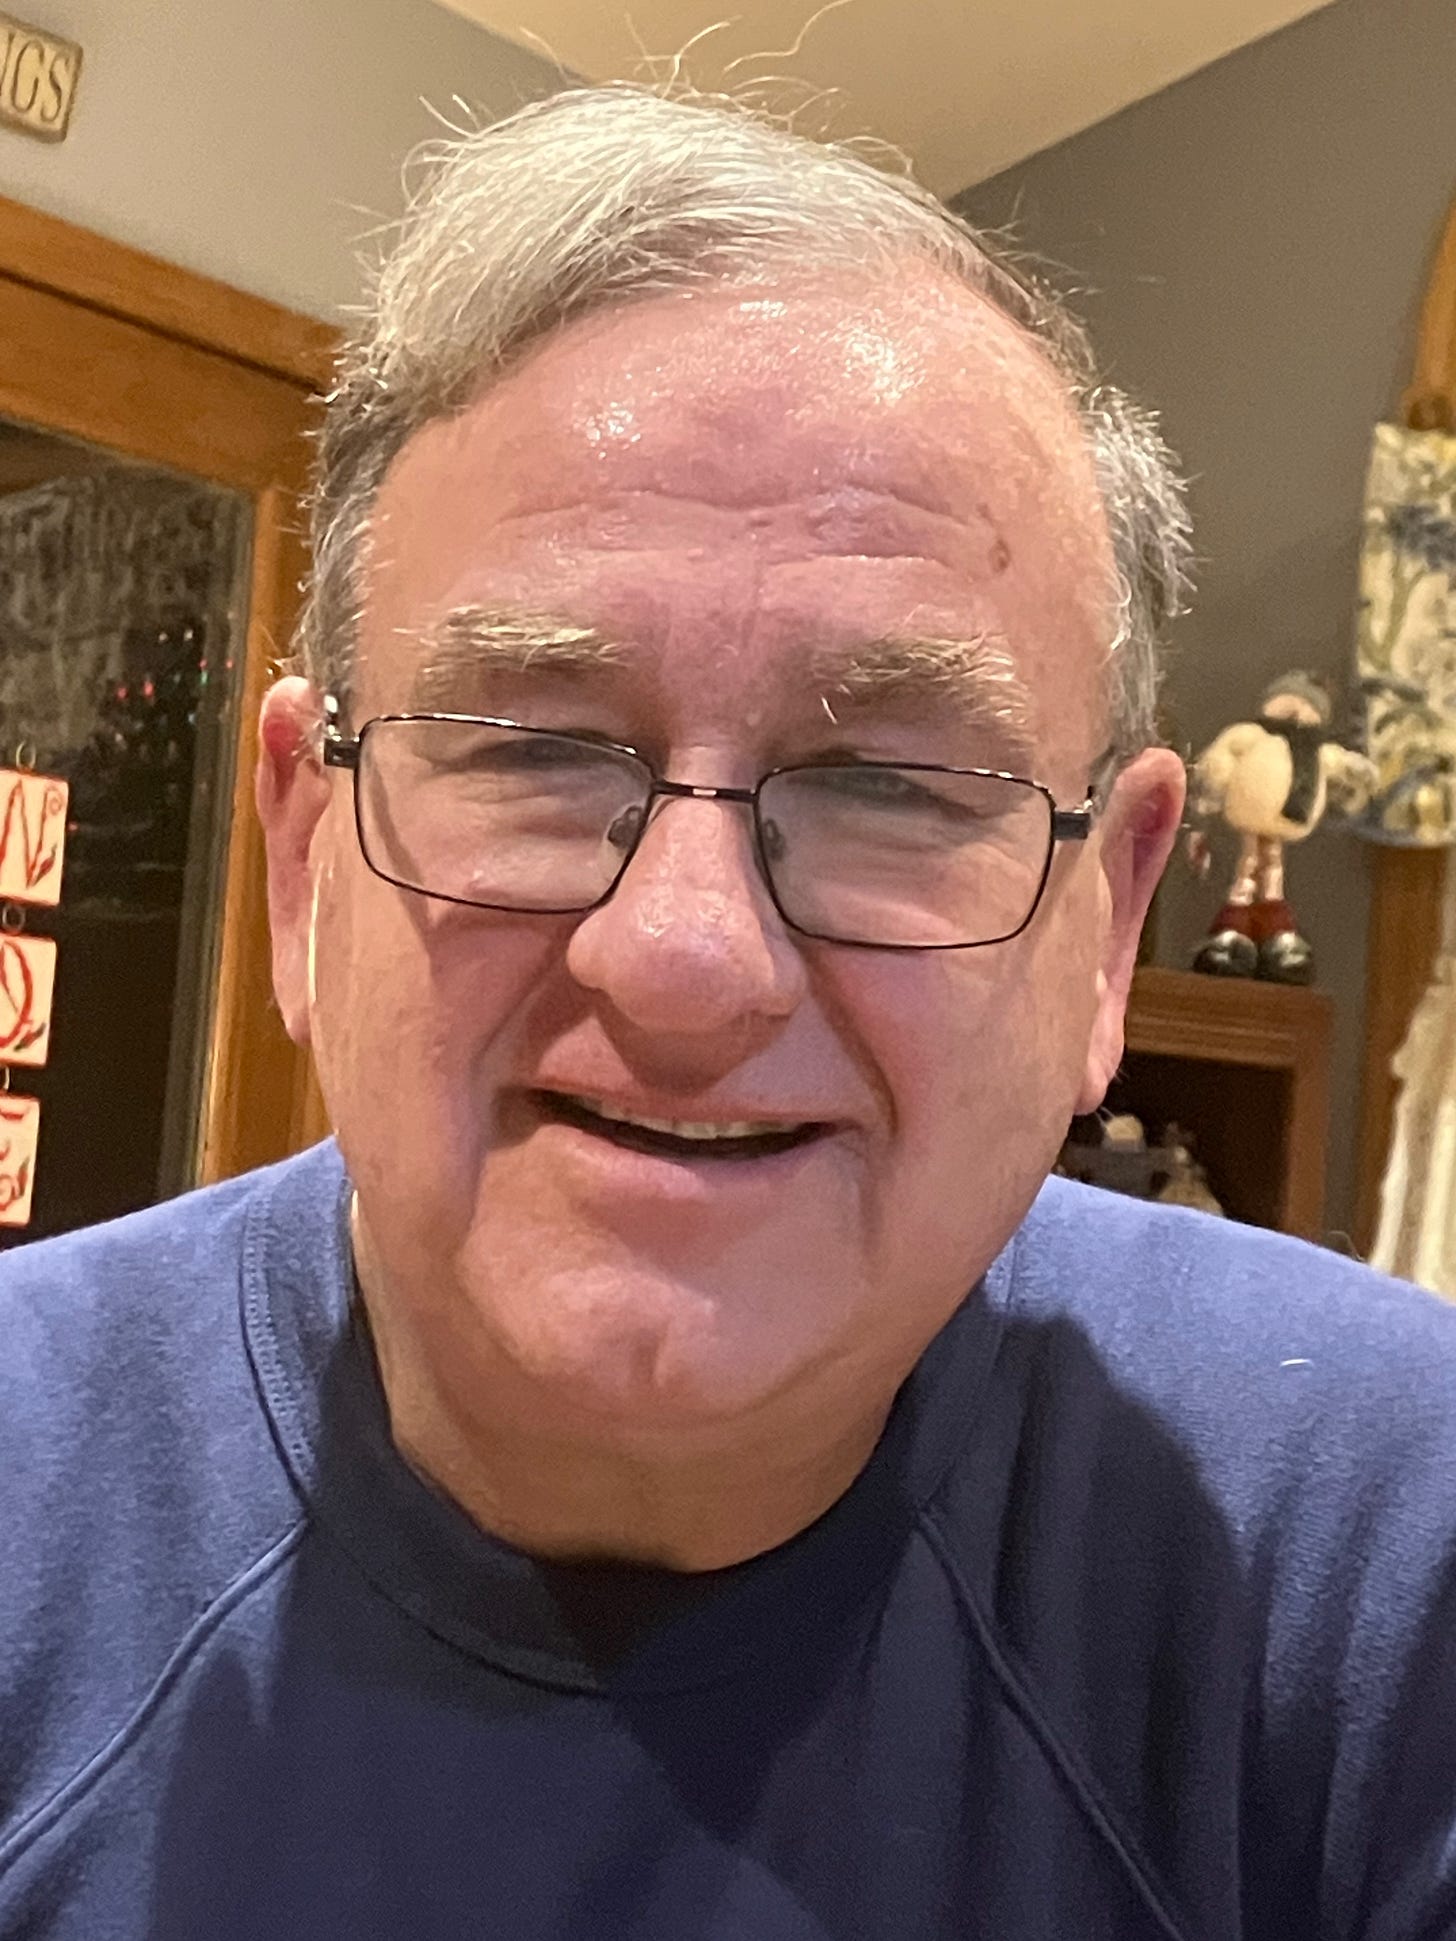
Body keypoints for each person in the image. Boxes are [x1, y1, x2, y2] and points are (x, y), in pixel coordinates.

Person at [2, 86, 1453, 1941]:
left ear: (1107, 926)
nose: (685, 958)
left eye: (897, 786)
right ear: (303, 857)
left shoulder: (1391, 1558)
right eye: (530, 749)